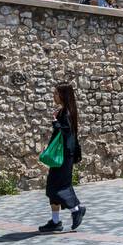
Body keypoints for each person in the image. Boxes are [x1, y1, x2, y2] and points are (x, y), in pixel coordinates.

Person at [38, 82, 87, 233]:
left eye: (56, 93)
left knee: (59, 187)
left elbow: (65, 134)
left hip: (64, 156)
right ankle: (55, 222)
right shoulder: (67, 111)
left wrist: (55, 123)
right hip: (65, 155)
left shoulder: (64, 113)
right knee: (53, 187)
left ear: (63, 95)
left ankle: (76, 209)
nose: (54, 96)